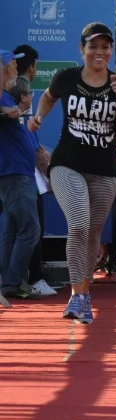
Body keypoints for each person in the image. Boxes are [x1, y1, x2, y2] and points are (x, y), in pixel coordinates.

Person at [28, 24, 116, 324]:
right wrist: (38, 117)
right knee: (78, 224)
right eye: (93, 47)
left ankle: (84, 294)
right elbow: (49, 96)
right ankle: (77, 296)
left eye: (105, 47)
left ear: (111, 50)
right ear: (82, 49)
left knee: (92, 232)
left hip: (104, 170)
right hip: (66, 164)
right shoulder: (67, 77)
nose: (99, 52)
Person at [0, 50, 39, 304]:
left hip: (16, 173)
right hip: (14, 174)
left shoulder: (5, 96)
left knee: (12, 230)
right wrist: (6, 110)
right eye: (13, 65)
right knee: (29, 230)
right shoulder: (3, 95)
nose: (17, 69)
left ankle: (9, 281)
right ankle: (11, 283)